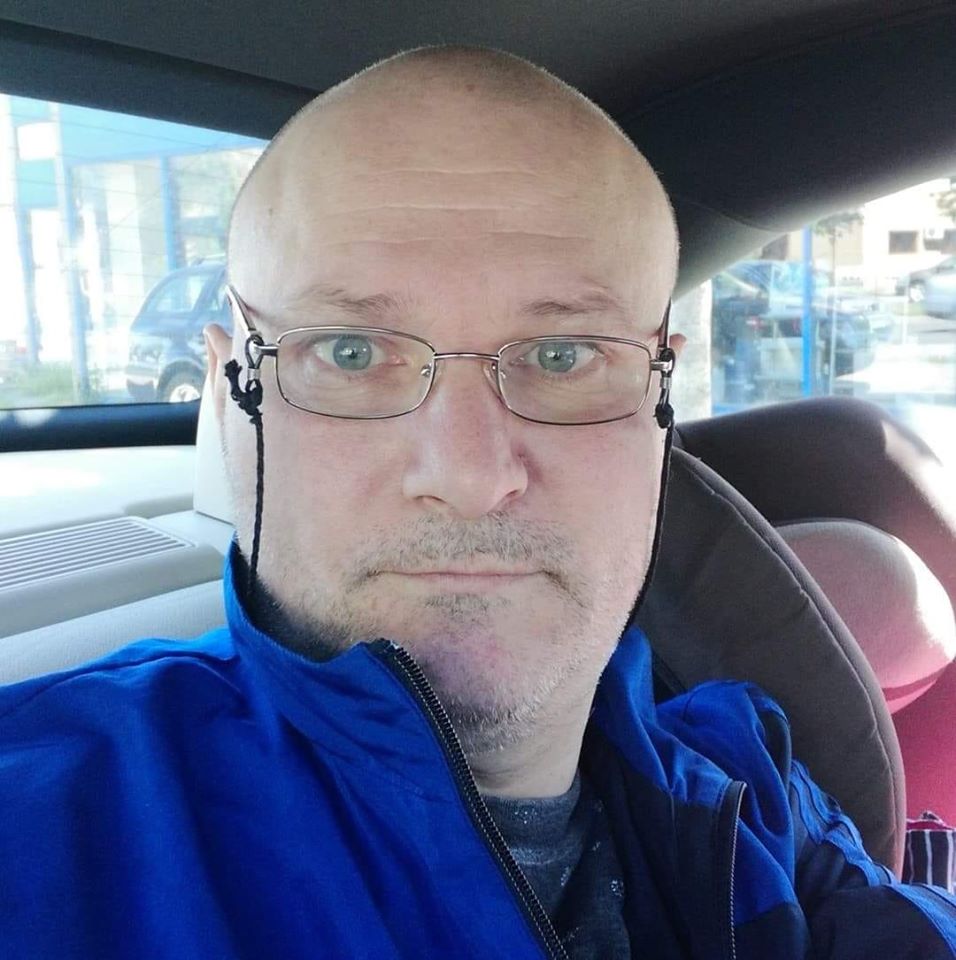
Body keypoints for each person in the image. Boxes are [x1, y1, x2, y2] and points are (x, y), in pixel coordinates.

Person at [1, 45, 955, 960]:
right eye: (348, 352)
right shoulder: (42, 823)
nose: (468, 474)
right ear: (227, 401)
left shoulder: (749, 784)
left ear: (659, 401)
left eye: (563, 356)